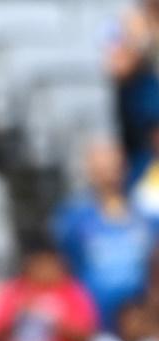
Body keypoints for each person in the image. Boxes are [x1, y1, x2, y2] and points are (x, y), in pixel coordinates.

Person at [52, 138, 154, 330]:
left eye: (112, 165)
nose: (107, 173)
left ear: (124, 166)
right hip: (95, 323)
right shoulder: (73, 218)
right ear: (89, 170)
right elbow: (64, 268)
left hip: (141, 325)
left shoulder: (145, 216)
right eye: (100, 166)